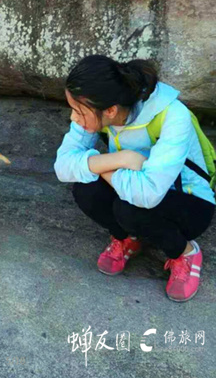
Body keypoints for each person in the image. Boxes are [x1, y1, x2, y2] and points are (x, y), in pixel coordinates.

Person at [54, 54, 215, 302]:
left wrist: (100, 165)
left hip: (189, 202)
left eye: (79, 112)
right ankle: (129, 237)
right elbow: (62, 166)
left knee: (129, 208)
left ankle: (184, 251)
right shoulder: (97, 109)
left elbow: (148, 194)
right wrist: (121, 159)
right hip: (134, 184)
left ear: (110, 110)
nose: (74, 118)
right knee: (85, 190)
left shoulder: (173, 115)